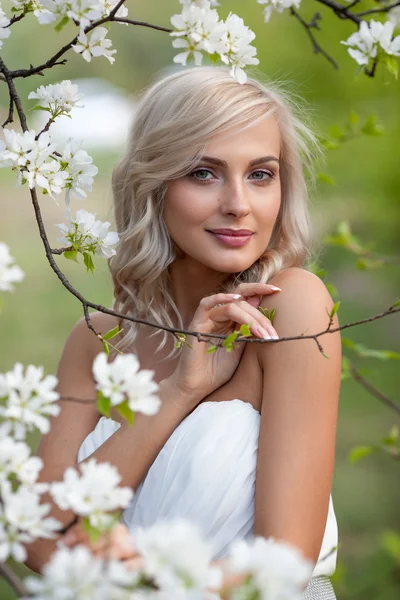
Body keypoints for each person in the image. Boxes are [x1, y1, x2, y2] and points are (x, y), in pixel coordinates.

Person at [25, 66, 342, 599]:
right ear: (153, 183)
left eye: (261, 174)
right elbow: (37, 538)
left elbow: (284, 563)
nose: (239, 203)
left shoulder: (293, 310)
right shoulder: (96, 341)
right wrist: (180, 391)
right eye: (203, 172)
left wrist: (136, 579)